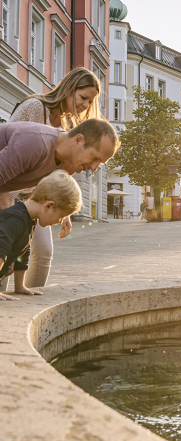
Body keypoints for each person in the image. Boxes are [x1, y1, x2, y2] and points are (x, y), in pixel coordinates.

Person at [5, 67, 101, 287]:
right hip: (9, 191)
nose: (85, 105)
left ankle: (29, 302)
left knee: (44, 253)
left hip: (38, 200)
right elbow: (11, 153)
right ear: (68, 88)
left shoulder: (69, 127)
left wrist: (64, 208)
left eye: (90, 101)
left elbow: (58, 174)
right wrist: (5, 207)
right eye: (83, 97)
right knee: (5, 250)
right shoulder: (35, 107)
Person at [0, 118, 119, 291]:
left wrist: (64, 213)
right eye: (94, 158)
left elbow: (43, 194)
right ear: (78, 140)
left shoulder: (69, 165)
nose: (93, 168)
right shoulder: (35, 143)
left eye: (99, 164)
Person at [0, 171, 82, 301]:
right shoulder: (14, 219)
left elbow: (23, 251)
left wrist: (19, 286)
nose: (60, 221)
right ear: (49, 206)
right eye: (60, 216)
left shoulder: (29, 218)